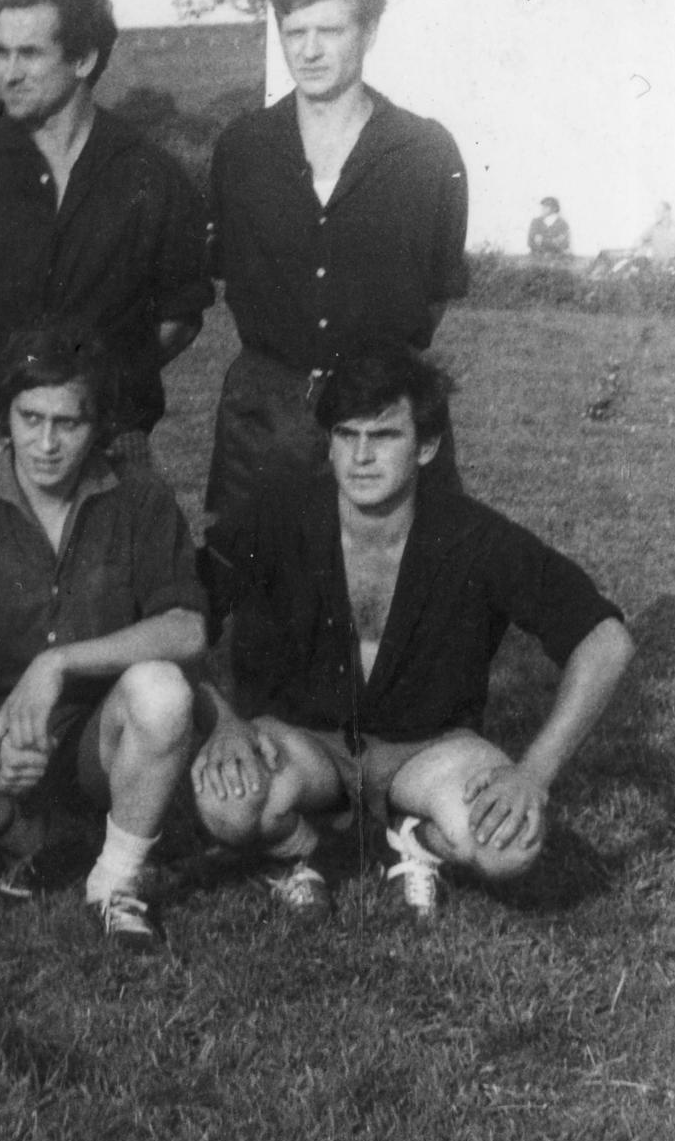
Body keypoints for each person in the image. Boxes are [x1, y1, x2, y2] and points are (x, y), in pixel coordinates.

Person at [191, 342, 634, 920]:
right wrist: (222, 720)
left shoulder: (475, 536)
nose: (362, 457)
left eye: (384, 436)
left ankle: (418, 841)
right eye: (347, 435)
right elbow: (173, 617)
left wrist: (534, 774)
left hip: (428, 750)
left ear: (425, 447)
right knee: (227, 804)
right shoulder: (277, 517)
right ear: (328, 442)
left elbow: (606, 641)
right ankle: (305, 850)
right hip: (304, 743)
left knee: (511, 850)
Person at [0, 332, 206, 949]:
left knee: (161, 689)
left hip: (98, 734)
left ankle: (116, 880)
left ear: (99, 425)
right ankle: (27, 839)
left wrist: (58, 663)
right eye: (31, 419)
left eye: (69, 424)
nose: (47, 443)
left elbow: (187, 627)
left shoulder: (139, 497)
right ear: (4, 415)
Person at [0, 0, 209, 482]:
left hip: (109, 424)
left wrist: (100, 383)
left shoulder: (151, 176)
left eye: (29, 54)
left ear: (83, 60)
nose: (9, 73)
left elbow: (178, 317)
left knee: (116, 561)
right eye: (1, 54)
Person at [206, 0, 469, 525]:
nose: (310, 49)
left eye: (330, 30)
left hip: (384, 403)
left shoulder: (424, 152)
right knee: (254, 584)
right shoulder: (243, 149)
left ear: (369, 30)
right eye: (294, 31)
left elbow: (436, 289)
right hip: (266, 414)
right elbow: (230, 273)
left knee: (399, 583)